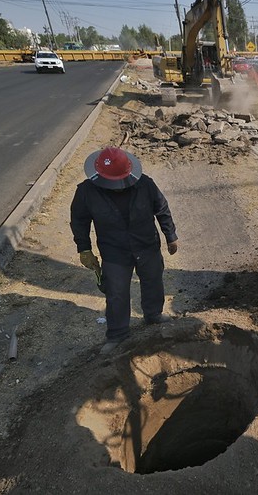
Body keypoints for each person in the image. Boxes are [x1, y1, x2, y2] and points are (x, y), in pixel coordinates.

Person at [70, 147, 178, 354]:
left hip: (146, 244)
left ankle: (153, 314)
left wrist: (170, 236)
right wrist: (84, 248)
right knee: (116, 292)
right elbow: (79, 221)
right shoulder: (86, 192)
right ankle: (117, 333)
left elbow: (162, 208)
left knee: (153, 280)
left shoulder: (145, 184)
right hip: (114, 251)